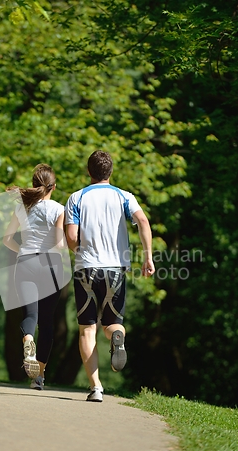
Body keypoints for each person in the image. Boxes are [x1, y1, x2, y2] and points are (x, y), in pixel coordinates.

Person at [65, 150, 155, 402]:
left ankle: (96, 388)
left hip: (86, 269)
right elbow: (143, 222)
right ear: (110, 172)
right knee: (112, 323)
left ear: (88, 171)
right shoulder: (124, 196)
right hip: (115, 270)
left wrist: (79, 250)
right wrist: (148, 257)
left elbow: (72, 237)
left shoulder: (76, 198)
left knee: (87, 329)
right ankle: (117, 337)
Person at [3, 164, 66, 390]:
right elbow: (59, 244)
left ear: (34, 184)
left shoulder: (22, 208)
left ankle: (28, 339)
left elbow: (6, 239)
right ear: (54, 187)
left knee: (30, 314)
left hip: (26, 263)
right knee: (47, 323)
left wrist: (21, 250)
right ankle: (38, 377)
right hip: (50, 265)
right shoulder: (60, 209)